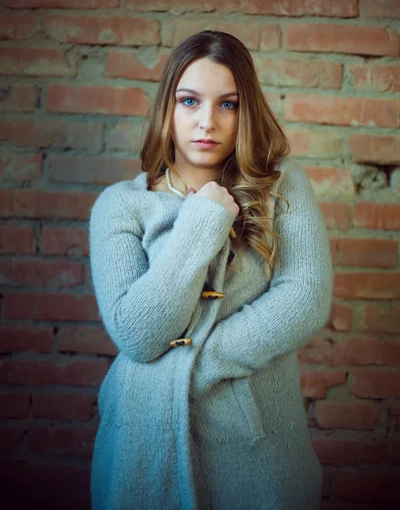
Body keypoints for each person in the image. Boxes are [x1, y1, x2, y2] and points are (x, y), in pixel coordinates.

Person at [89, 30, 333, 510]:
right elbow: (137, 334)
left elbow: (304, 297)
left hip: (256, 445)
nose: (207, 122)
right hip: (140, 442)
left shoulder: (281, 184)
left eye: (228, 104)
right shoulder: (119, 205)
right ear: (168, 108)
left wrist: (194, 366)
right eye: (189, 101)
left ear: (247, 112)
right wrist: (204, 219)